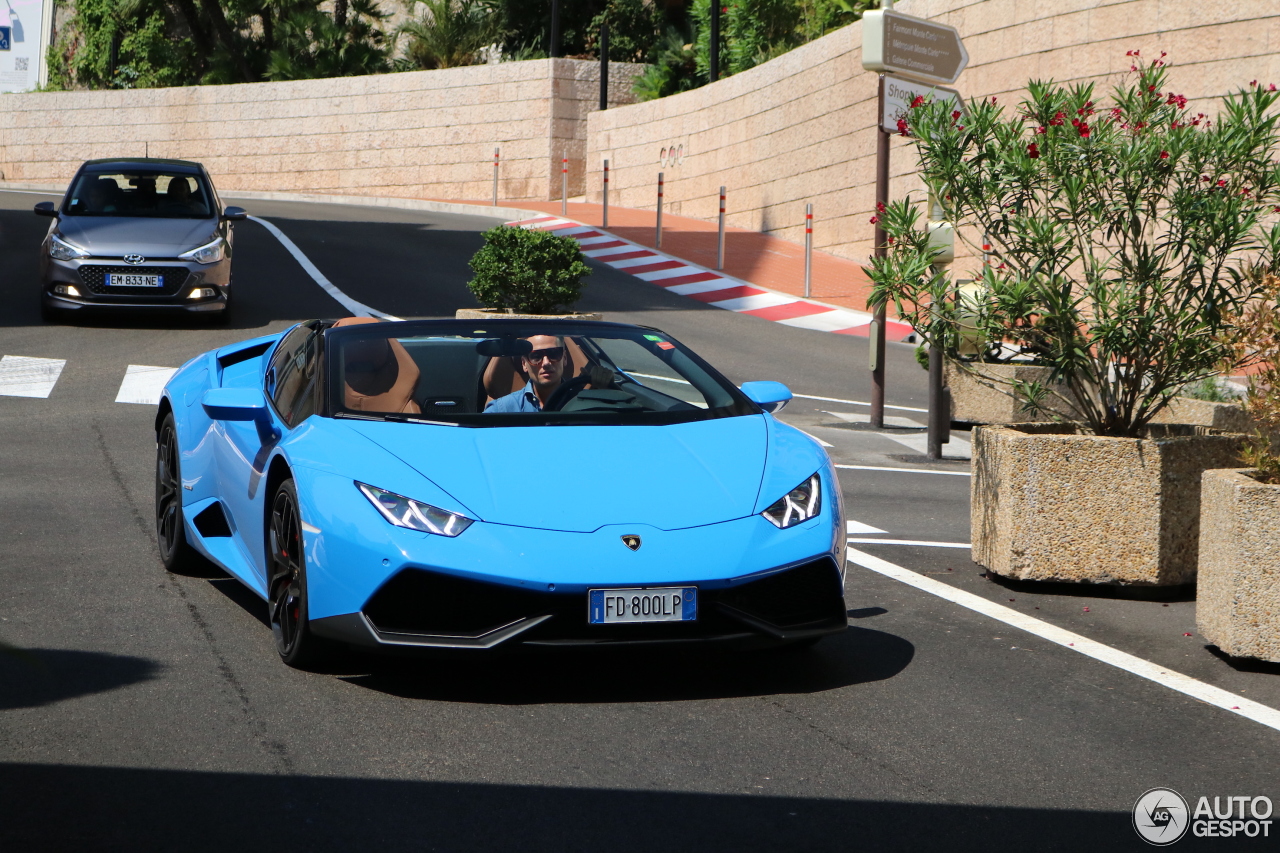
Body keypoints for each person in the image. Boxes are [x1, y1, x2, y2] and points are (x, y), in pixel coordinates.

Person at [484, 335, 570, 413]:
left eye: (553, 354)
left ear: (565, 358)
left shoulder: (582, 404)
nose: (546, 363)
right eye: (536, 356)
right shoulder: (502, 410)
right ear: (524, 364)